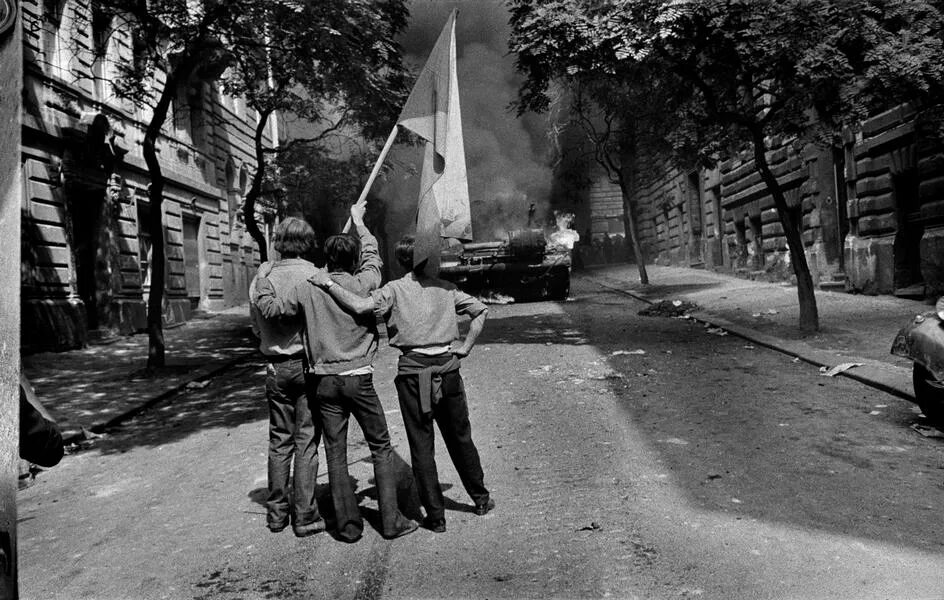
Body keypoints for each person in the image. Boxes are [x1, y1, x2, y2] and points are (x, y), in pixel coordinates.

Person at [254, 204, 418, 542]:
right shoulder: (364, 281)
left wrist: (263, 277)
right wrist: (360, 224)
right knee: (381, 448)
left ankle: (346, 527)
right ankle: (390, 521)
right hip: (357, 379)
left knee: (333, 450)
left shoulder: (310, 285)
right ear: (354, 259)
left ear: (326, 258)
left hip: (323, 380)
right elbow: (374, 258)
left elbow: (271, 310)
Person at [309, 235, 492, 533]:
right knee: (461, 437)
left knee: (421, 445)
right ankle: (480, 498)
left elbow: (358, 306)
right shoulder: (447, 289)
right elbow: (481, 310)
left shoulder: (393, 290)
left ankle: (436, 517)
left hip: (413, 375)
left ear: (401, 261)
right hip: (448, 372)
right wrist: (465, 346)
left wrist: (327, 283)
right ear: (429, 260)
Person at [249, 217, 324, 537]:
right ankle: (305, 516)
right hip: (307, 367)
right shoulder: (316, 277)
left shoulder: (261, 279)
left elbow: (254, 325)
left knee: (279, 441)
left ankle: (277, 514)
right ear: (307, 242)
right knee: (306, 440)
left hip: (274, 368)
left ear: (278, 241)